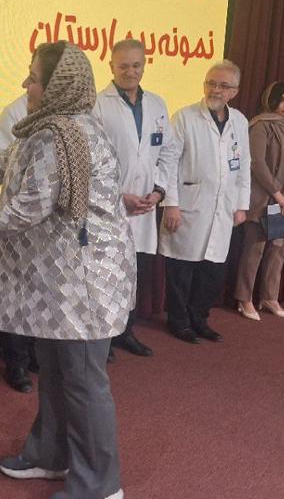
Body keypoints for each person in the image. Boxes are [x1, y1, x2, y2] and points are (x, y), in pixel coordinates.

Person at [0, 42, 132, 499]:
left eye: (33, 78)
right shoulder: (48, 129)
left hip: (85, 285)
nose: (25, 84)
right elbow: (5, 164)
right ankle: (50, 455)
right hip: (63, 283)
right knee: (56, 373)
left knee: (83, 382)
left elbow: (29, 207)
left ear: (56, 86)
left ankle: (100, 485)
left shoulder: (63, 134)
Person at [94, 38, 181, 356]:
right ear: (111, 66)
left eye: (136, 65)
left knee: (135, 272)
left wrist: (159, 191)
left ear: (145, 65)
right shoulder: (97, 105)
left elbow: (168, 151)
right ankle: (103, 338)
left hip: (145, 206)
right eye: (123, 66)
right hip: (109, 207)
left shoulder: (157, 104)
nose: (130, 71)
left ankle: (125, 330)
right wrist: (119, 196)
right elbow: (90, 161)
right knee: (107, 275)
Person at [159, 60, 251, 344]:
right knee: (181, 270)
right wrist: (171, 203)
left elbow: (244, 164)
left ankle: (199, 319)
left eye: (223, 85)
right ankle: (179, 321)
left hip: (223, 208)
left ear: (234, 91)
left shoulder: (240, 121)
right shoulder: (184, 117)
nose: (216, 90)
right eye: (211, 83)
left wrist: (242, 204)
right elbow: (169, 163)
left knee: (212, 271)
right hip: (188, 206)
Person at [234, 81, 284, 321]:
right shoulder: (260, 125)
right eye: (282, 99)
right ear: (270, 100)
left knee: (278, 250)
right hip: (264, 199)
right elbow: (257, 164)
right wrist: (278, 195)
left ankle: (269, 297)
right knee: (254, 250)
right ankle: (244, 299)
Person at [0, 94, 37, 393]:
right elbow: (1, 162)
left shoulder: (67, 115)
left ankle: (36, 354)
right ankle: (16, 362)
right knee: (15, 292)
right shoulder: (14, 112)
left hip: (49, 221)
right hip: (17, 213)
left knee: (41, 290)